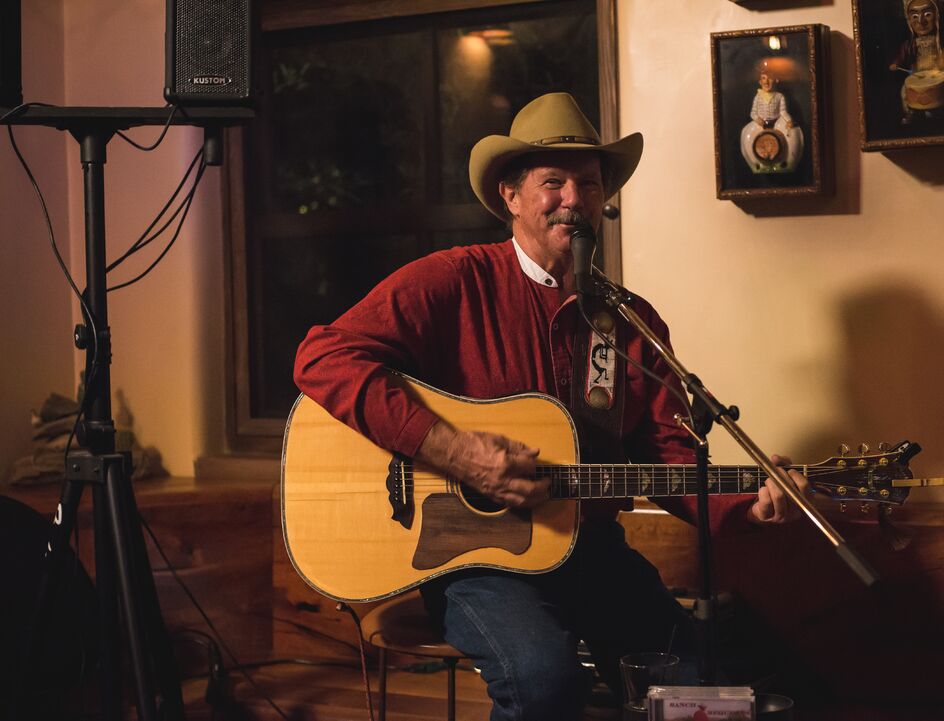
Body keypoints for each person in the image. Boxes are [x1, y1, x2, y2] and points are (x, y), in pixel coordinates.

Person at [293, 92, 809, 721]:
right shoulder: (453, 280)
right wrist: (452, 451)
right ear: (510, 196)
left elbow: (664, 451)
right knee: (544, 683)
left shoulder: (626, 318)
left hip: (591, 550)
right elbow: (322, 357)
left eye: (588, 184)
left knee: (697, 683)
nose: (574, 198)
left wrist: (746, 501)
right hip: (474, 562)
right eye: (553, 182)